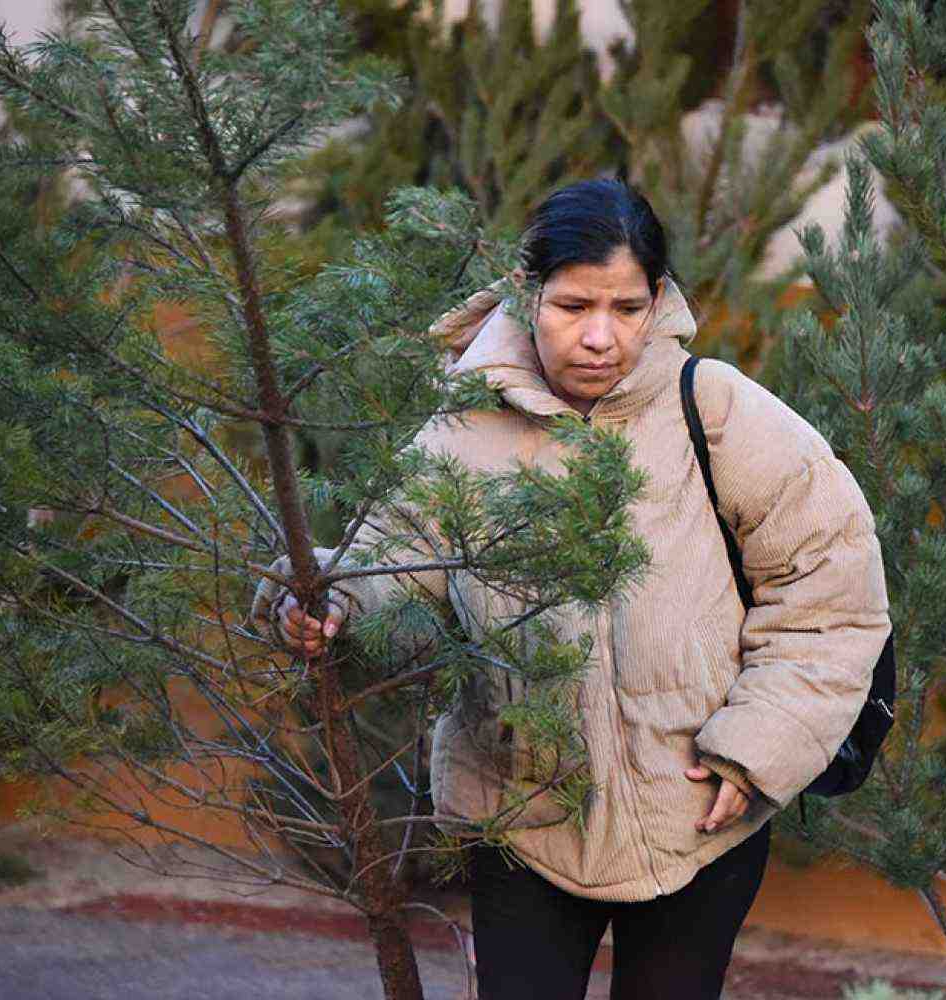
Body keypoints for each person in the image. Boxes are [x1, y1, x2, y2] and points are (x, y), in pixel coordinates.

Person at [253, 178, 890, 999]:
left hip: (701, 815)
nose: (600, 337)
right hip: (524, 815)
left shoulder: (718, 409)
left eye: (627, 309)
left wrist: (759, 749)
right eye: (573, 306)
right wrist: (327, 606)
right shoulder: (464, 430)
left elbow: (832, 593)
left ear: (657, 299)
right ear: (527, 293)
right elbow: (393, 569)